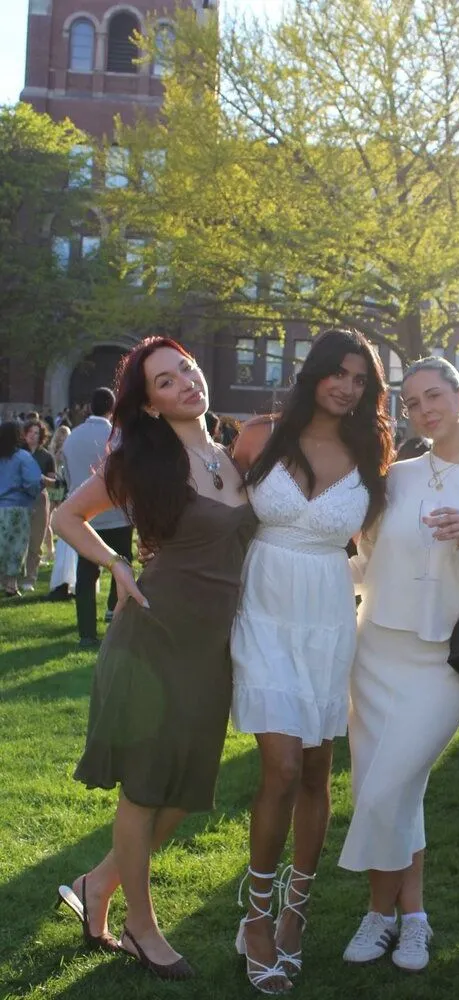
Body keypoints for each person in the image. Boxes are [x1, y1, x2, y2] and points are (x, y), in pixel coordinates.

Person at [52, 336, 256, 980]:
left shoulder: (233, 455)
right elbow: (66, 517)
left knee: (186, 788)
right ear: (149, 404)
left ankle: (95, 884)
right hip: (153, 637)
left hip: (212, 646)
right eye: (165, 381)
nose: (186, 383)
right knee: (145, 789)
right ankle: (140, 928)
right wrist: (115, 563)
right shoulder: (144, 461)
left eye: (187, 369)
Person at [340, 356, 459, 973]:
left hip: (444, 663)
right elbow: (365, 562)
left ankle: (385, 913)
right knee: (393, 791)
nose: (424, 410)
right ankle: (403, 917)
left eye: (434, 396)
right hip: (374, 653)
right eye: (412, 402)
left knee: (386, 790)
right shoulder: (393, 477)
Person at [229, 328, 393, 994]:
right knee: (283, 765)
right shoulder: (258, 437)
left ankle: (296, 910)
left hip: (327, 615)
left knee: (318, 770)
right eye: (338, 373)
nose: (347, 387)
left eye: (360, 379)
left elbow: (385, 542)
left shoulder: (370, 453)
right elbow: (216, 519)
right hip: (264, 609)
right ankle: (256, 916)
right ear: (314, 372)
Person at [61, 388, 133, 647]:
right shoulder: (119, 437)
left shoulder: (72, 437)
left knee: (86, 573)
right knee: (122, 563)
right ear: (112, 409)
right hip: (116, 514)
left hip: (85, 517)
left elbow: (67, 476)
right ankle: (114, 608)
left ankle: (87, 633)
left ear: (90, 407)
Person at [0, 421, 43, 597]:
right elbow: (33, 482)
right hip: (18, 508)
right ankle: (11, 584)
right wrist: (32, 495)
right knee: (16, 547)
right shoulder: (23, 457)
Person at [21, 418, 57, 590]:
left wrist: (42, 478)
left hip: (39, 498)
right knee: (17, 540)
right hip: (19, 498)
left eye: (36, 433)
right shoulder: (17, 453)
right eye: (30, 432)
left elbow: (54, 481)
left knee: (36, 540)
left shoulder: (46, 456)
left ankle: (30, 578)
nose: (32, 436)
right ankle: (10, 578)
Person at [48, 425, 78, 600]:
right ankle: (65, 583)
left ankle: (68, 583)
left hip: (71, 502)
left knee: (69, 547)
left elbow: (64, 481)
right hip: (68, 500)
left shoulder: (70, 456)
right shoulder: (61, 456)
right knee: (65, 547)